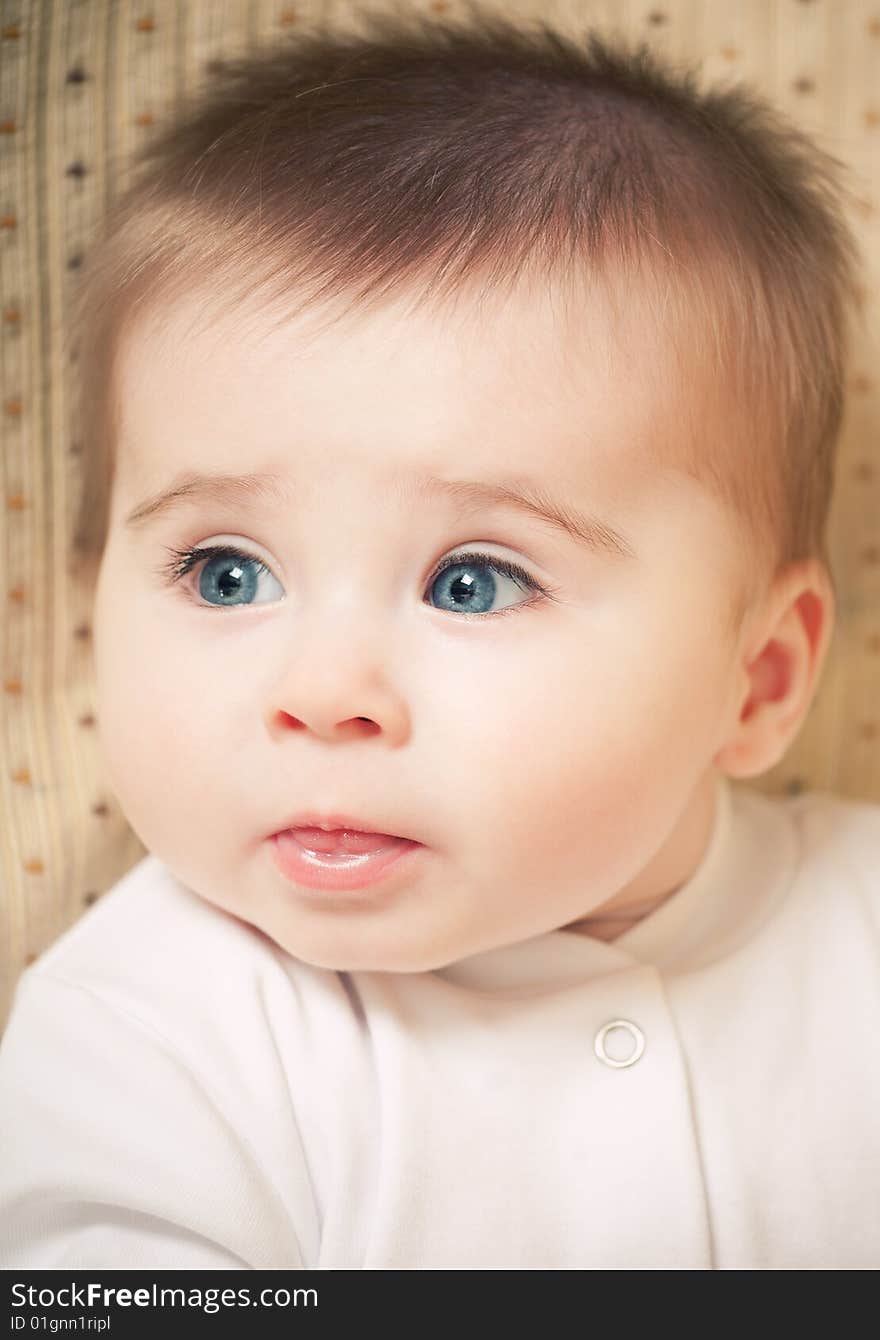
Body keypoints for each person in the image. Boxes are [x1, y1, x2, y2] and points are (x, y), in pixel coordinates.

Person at [1, 3, 877, 1269]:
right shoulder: (144, 1032)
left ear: (759, 676)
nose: (321, 692)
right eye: (227, 571)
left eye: (471, 582)